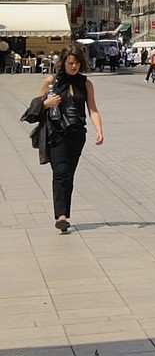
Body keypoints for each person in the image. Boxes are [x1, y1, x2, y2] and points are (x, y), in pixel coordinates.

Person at [39, 45, 103, 233]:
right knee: (60, 172)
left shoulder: (86, 83)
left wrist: (99, 130)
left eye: (77, 63)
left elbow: (92, 109)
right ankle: (61, 217)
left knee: (68, 174)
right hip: (56, 133)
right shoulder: (52, 81)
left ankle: (64, 213)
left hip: (77, 134)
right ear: (63, 62)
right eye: (70, 63)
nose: (74, 66)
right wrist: (47, 103)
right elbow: (35, 106)